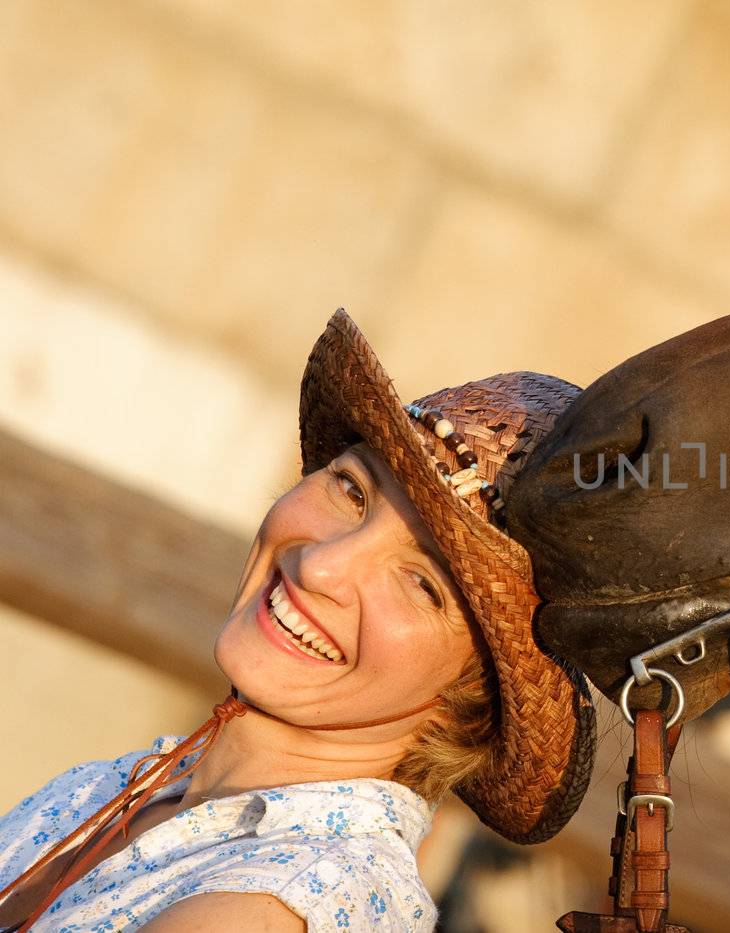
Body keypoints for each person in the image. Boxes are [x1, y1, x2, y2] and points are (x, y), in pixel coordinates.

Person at [0, 311, 595, 931]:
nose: (321, 565)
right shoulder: (126, 792)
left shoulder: (287, 900)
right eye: (352, 490)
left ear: (470, 698)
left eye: (423, 585)